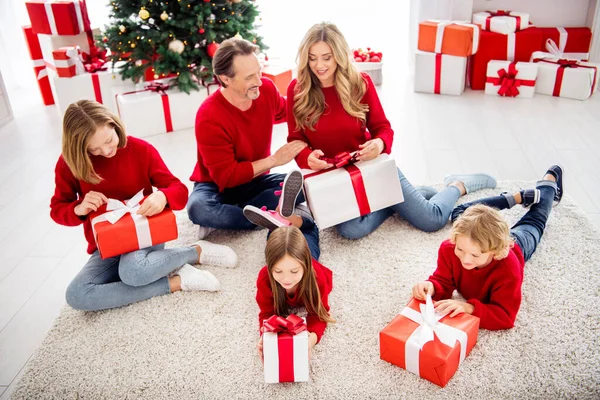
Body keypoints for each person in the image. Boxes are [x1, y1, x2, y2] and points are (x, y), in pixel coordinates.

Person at [287, 22, 497, 239]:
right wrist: (306, 157)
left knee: (432, 219)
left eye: (326, 57)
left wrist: (378, 144)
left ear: (339, 55)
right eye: (312, 58)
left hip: (371, 168)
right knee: (351, 230)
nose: (318, 64)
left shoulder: (360, 83)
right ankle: (394, 200)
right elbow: (295, 139)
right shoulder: (297, 90)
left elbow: (383, 128)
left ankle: (457, 185)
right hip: (332, 179)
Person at [50, 100, 238, 311]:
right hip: (107, 246)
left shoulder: (139, 149)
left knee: (133, 272)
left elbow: (178, 189)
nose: (106, 151)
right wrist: (78, 208)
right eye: (93, 149)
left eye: (109, 140)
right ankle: (177, 281)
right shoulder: (70, 164)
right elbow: (57, 209)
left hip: (145, 235)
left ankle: (195, 251)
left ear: (114, 124)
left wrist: (163, 197)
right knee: (77, 295)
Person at [411, 165, 563, 330]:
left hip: (517, 243)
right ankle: (514, 198)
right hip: (485, 231)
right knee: (459, 212)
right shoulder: (449, 248)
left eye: (475, 255)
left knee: (536, 220)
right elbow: (443, 280)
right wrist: (431, 287)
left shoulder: (508, 269)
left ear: (495, 252)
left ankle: (548, 183)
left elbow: (505, 316)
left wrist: (469, 308)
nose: (465, 259)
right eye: (460, 250)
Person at [187, 37, 307, 239]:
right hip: (216, 185)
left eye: (259, 71)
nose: (259, 81)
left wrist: (319, 101)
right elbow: (227, 177)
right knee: (199, 209)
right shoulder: (209, 116)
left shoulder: (265, 89)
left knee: (305, 186)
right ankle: (260, 214)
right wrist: (274, 160)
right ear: (225, 78)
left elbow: (289, 111)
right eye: (250, 77)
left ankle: (239, 215)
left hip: (255, 180)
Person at [255, 226, 334, 358]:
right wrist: (266, 335)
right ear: (269, 267)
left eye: (294, 271)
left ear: (306, 266)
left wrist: (311, 340)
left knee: (308, 237)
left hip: (309, 248)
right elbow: (266, 314)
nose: (286, 280)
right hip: (287, 247)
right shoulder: (265, 277)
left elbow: (320, 315)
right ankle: (278, 221)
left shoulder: (316, 277)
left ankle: (303, 216)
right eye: (278, 271)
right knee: (274, 236)